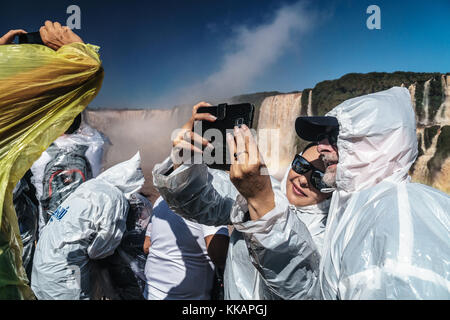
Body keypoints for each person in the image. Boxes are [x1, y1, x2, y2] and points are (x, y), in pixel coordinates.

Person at [230, 87, 450, 299]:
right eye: (322, 137)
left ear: (378, 145)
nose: (322, 146)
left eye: (335, 137)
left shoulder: (401, 217)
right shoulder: (357, 211)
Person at [152, 102, 332, 299]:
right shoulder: (261, 186)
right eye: (301, 165)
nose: (303, 179)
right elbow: (196, 201)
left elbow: (301, 291)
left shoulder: (330, 236)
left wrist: (261, 203)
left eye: (319, 178)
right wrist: (183, 159)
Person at [143, 196, 229, 300]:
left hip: (151, 292)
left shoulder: (161, 199)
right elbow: (218, 254)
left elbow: (147, 246)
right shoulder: (209, 199)